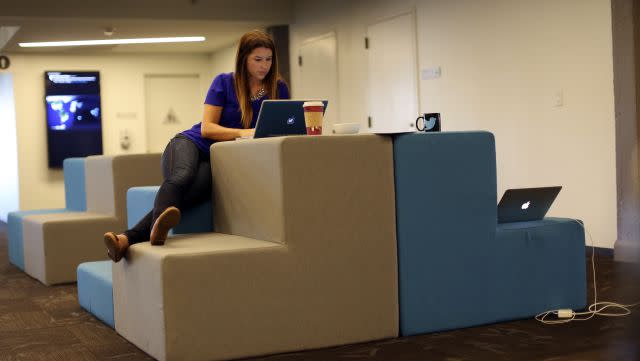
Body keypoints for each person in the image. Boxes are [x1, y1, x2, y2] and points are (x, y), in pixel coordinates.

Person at [104, 29, 290, 262]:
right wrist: (248, 132)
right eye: (258, 59)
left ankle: (124, 240)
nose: (264, 66)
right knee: (182, 177)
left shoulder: (278, 89)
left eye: (269, 59)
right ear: (244, 59)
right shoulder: (224, 82)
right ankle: (155, 233)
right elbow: (207, 128)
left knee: (185, 197)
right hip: (190, 143)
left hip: (218, 161)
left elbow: (279, 126)